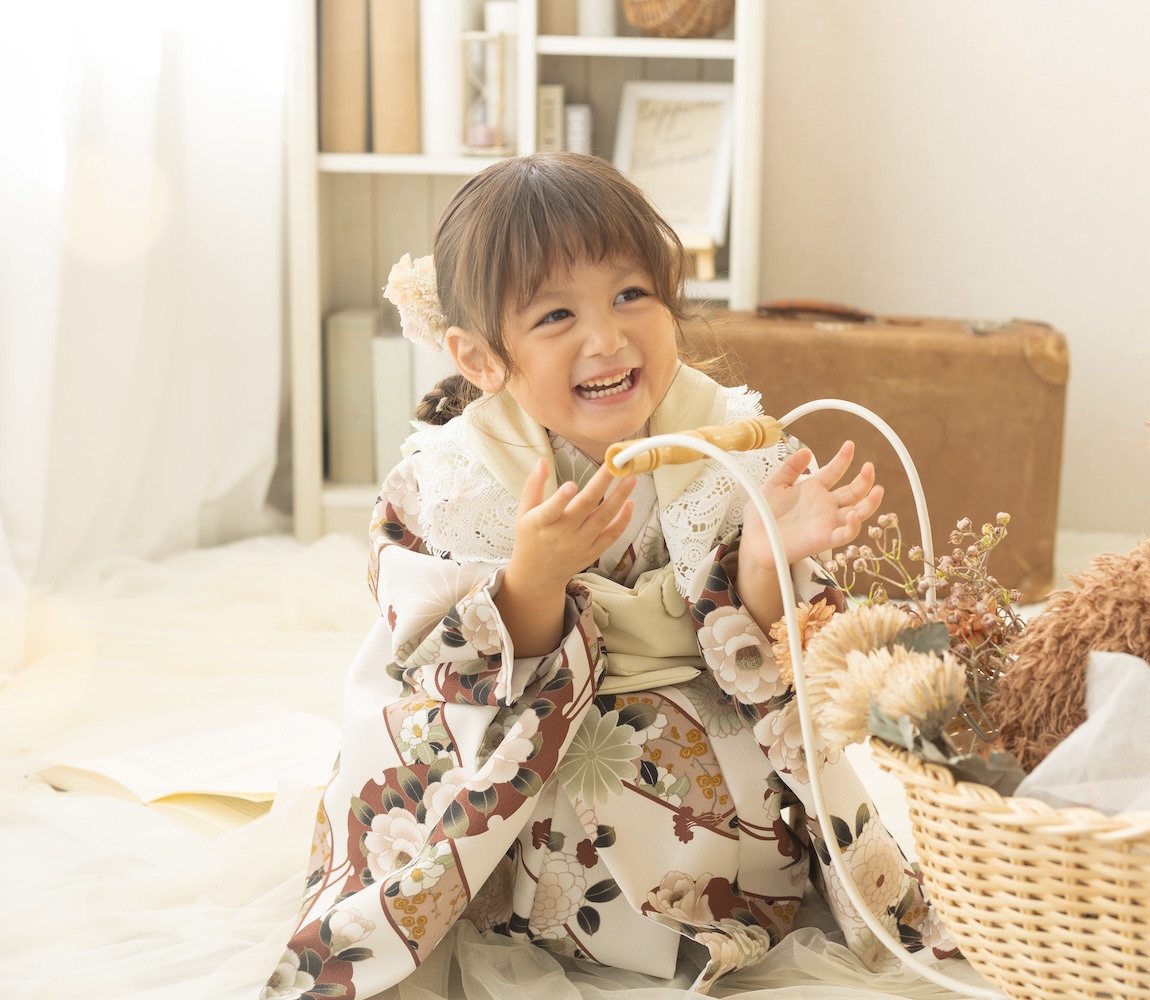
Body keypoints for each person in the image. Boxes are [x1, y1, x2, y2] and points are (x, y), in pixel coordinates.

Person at [261, 152, 953, 1000]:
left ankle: (716, 906)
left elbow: (772, 648)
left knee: (772, 764)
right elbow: (439, 652)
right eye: (557, 314)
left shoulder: (728, 438)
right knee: (471, 758)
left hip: (703, 728)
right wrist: (533, 578)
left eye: (632, 295)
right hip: (537, 727)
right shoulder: (456, 477)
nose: (608, 337)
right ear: (481, 359)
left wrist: (772, 557)